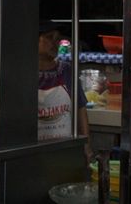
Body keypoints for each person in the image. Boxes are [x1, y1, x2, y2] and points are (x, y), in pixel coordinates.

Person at [38, 20, 92, 159]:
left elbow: (81, 110)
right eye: (50, 38)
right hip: (35, 151)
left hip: (65, 150)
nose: (55, 43)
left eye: (57, 39)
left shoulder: (67, 71)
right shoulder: (24, 73)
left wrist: (86, 146)